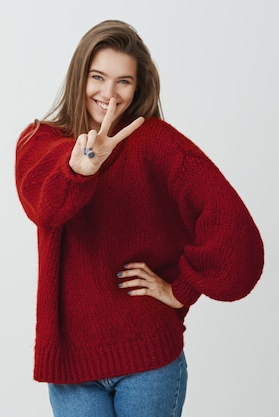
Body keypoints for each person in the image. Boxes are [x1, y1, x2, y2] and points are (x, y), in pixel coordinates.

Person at [14, 19, 264, 417]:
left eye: (123, 82)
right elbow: (45, 208)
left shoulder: (157, 142)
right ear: (79, 75)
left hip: (148, 356)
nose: (108, 94)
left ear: (139, 86)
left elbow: (236, 237)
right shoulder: (40, 143)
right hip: (73, 368)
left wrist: (180, 288)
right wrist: (78, 169)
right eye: (98, 77)